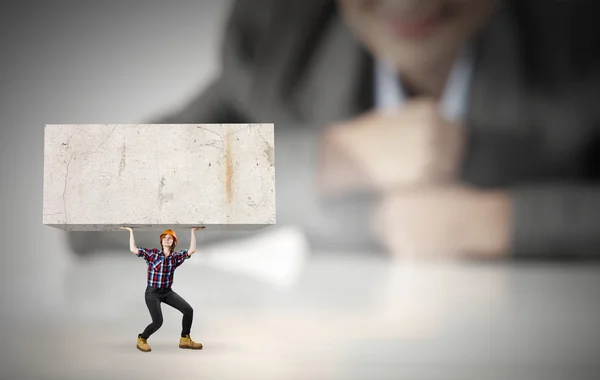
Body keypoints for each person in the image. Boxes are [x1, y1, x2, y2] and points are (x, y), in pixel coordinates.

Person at [73, 0, 600, 259]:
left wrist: (501, 223)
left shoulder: (578, 33)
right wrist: (334, 158)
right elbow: (89, 193)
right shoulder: (286, 39)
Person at [120, 226, 205, 352]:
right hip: (152, 293)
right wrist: (131, 231)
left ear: (173, 242)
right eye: (164, 238)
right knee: (158, 322)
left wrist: (193, 231)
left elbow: (191, 250)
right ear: (161, 241)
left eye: (170, 238)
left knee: (188, 310)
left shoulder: (175, 257)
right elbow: (133, 249)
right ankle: (142, 338)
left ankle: (185, 339)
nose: (167, 239)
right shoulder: (153, 254)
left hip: (167, 292)